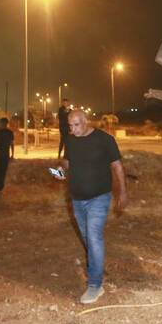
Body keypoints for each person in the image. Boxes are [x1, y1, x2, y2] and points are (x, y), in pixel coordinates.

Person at [52, 109, 128, 304]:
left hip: (99, 197)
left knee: (94, 236)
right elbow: (67, 160)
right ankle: (96, 264)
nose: (73, 129)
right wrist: (60, 168)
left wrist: (123, 192)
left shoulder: (105, 140)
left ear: (86, 121)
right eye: (70, 126)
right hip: (77, 198)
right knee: (88, 238)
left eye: (76, 125)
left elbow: (118, 166)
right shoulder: (71, 140)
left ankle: (95, 284)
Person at [0, 118, 14, 191]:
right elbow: (12, 144)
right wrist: (12, 154)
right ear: (7, 124)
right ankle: (1, 186)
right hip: (6, 154)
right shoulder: (10, 132)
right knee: (3, 170)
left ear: (1, 123)